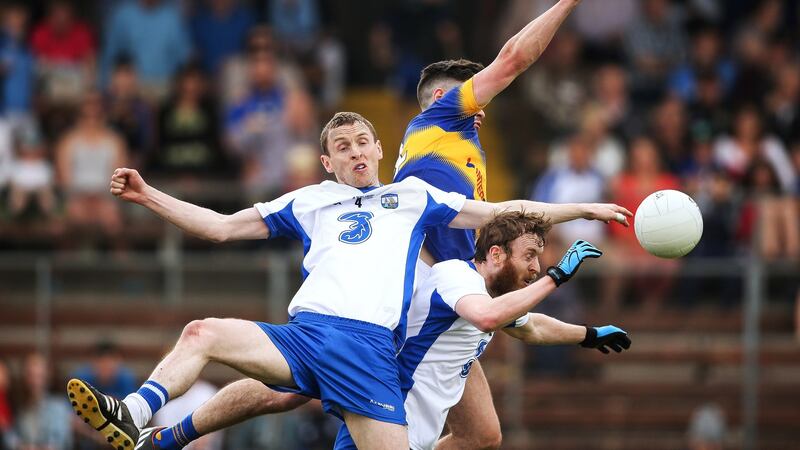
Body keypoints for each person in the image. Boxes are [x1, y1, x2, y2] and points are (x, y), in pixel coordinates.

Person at [70, 111, 630, 450]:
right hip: (306, 333)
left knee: (283, 400)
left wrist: (585, 208)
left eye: (363, 141)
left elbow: (505, 208)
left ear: (380, 149)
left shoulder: (414, 198)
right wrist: (148, 195)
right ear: (326, 162)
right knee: (201, 333)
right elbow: (219, 227)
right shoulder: (309, 201)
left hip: (369, 352)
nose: (356, 150)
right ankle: (136, 417)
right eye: (342, 147)